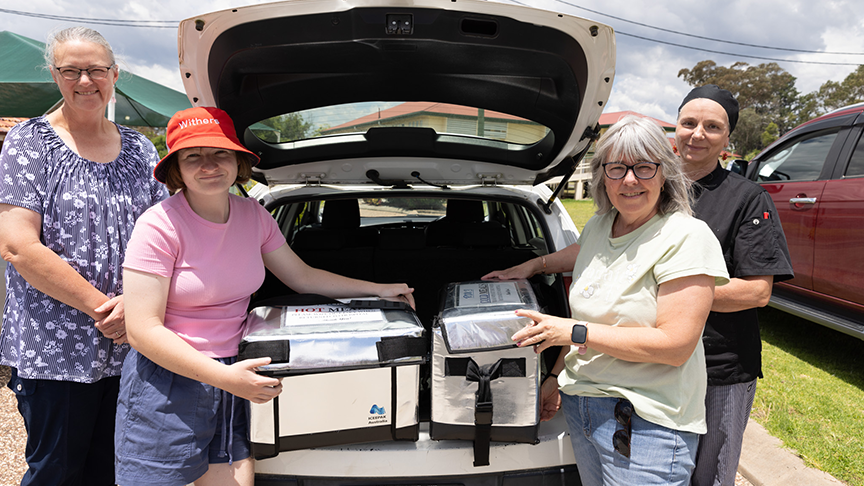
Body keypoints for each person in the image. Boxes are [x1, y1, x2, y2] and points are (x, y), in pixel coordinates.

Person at [115, 106, 415, 486]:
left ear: (237, 160)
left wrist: (378, 290)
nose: (209, 165)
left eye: (220, 153)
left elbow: (302, 277)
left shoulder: (254, 216)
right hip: (170, 380)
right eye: (193, 156)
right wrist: (224, 378)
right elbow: (142, 330)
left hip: (241, 370)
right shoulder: (158, 225)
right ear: (177, 168)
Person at [483, 115, 729, 485]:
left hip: (646, 426)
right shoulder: (602, 223)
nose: (630, 180)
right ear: (603, 175)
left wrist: (572, 332)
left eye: (644, 167)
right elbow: (584, 255)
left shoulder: (687, 237)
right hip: (584, 408)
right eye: (617, 168)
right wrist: (534, 265)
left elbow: (675, 345)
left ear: (665, 172)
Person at [0, 27, 169, 485]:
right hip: (56, 349)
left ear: (114, 75)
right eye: (71, 70)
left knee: (116, 470)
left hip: (133, 341)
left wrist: (135, 309)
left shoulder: (139, 147)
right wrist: (105, 308)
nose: (84, 81)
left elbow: (165, 236)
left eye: (95, 70)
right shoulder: (30, 144)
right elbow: (18, 245)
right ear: (55, 76)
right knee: (56, 472)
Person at [675, 85, 793, 486]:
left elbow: (757, 291)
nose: (697, 134)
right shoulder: (652, 190)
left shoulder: (747, 199)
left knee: (710, 474)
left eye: (712, 126)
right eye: (688, 123)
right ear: (675, 128)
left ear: (728, 139)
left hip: (719, 366)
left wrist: (673, 298)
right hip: (657, 364)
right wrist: (538, 262)